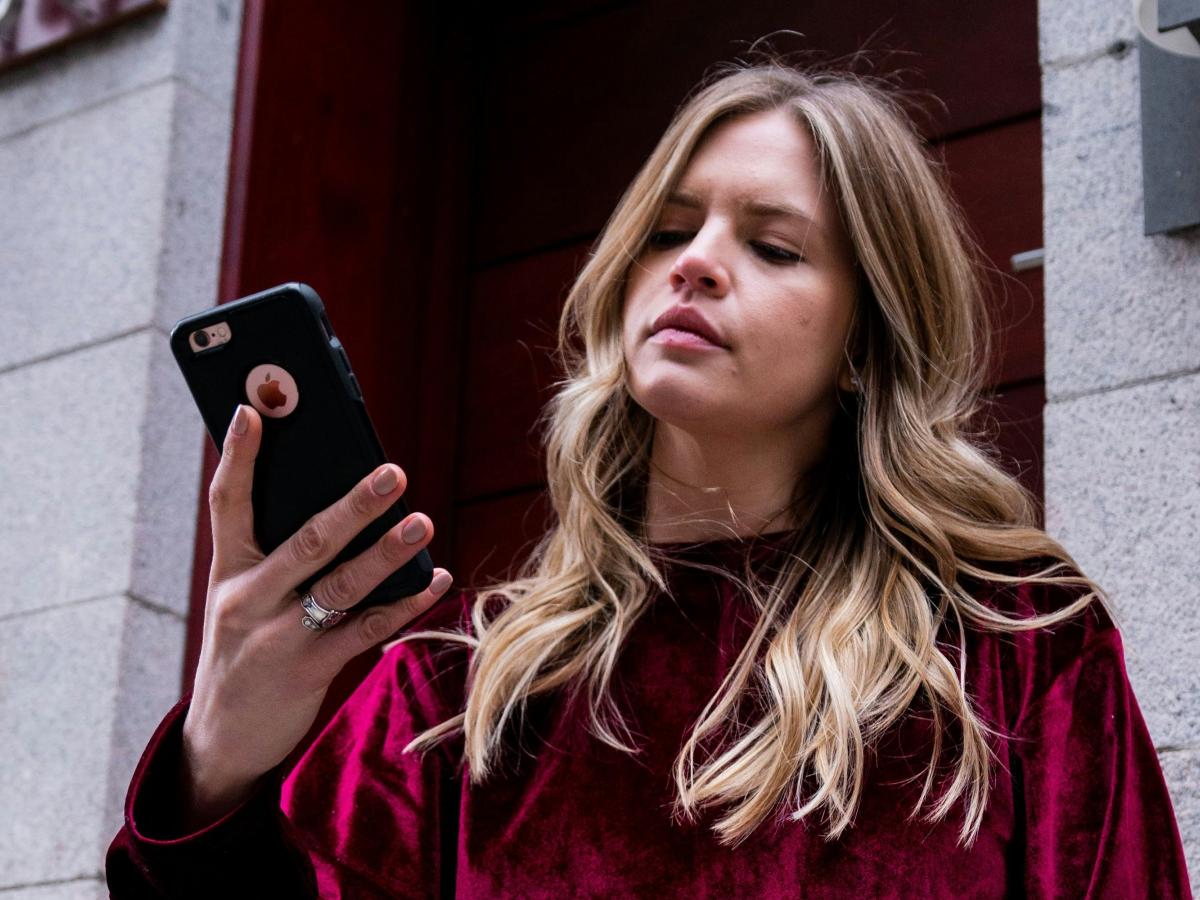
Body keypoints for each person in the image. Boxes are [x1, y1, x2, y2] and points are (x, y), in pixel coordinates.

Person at [106, 61, 1193, 898]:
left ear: (867, 341)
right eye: (669, 229)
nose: (695, 260)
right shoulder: (451, 700)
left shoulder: (1015, 655)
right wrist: (220, 759)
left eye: (774, 247)